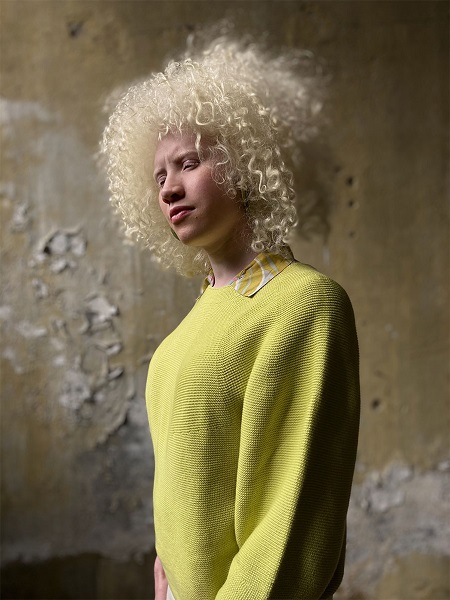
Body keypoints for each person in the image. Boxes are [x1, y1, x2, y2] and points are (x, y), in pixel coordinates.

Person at [101, 38, 360, 600]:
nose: (170, 188)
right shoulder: (181, 338)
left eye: (188, 163)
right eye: (159, 177)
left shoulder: (307, 304)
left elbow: (293, 520)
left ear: (245, 166)